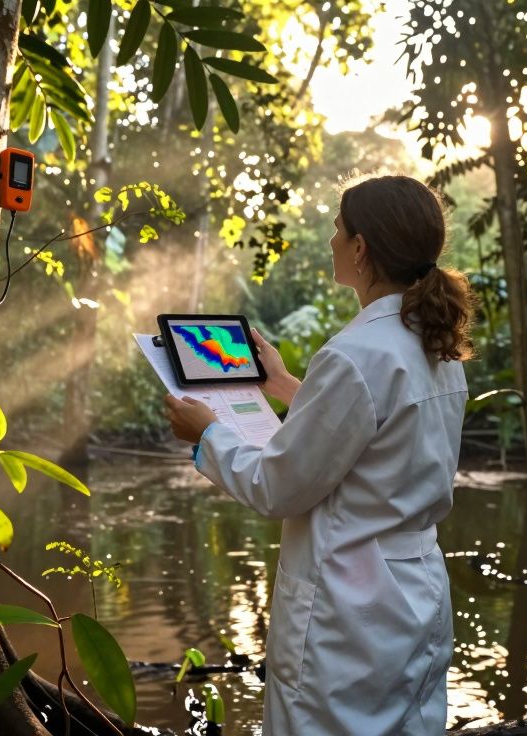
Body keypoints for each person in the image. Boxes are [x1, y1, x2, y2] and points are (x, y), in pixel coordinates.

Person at [164, 174, 476, 734]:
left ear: (360, 248)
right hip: (415, 591)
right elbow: (373, 428)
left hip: (347, 608)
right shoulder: (434, 345)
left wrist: (208, 432)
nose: (332, 240)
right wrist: (284, 383)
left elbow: (278, 487)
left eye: (338, 230)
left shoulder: (353, 354)